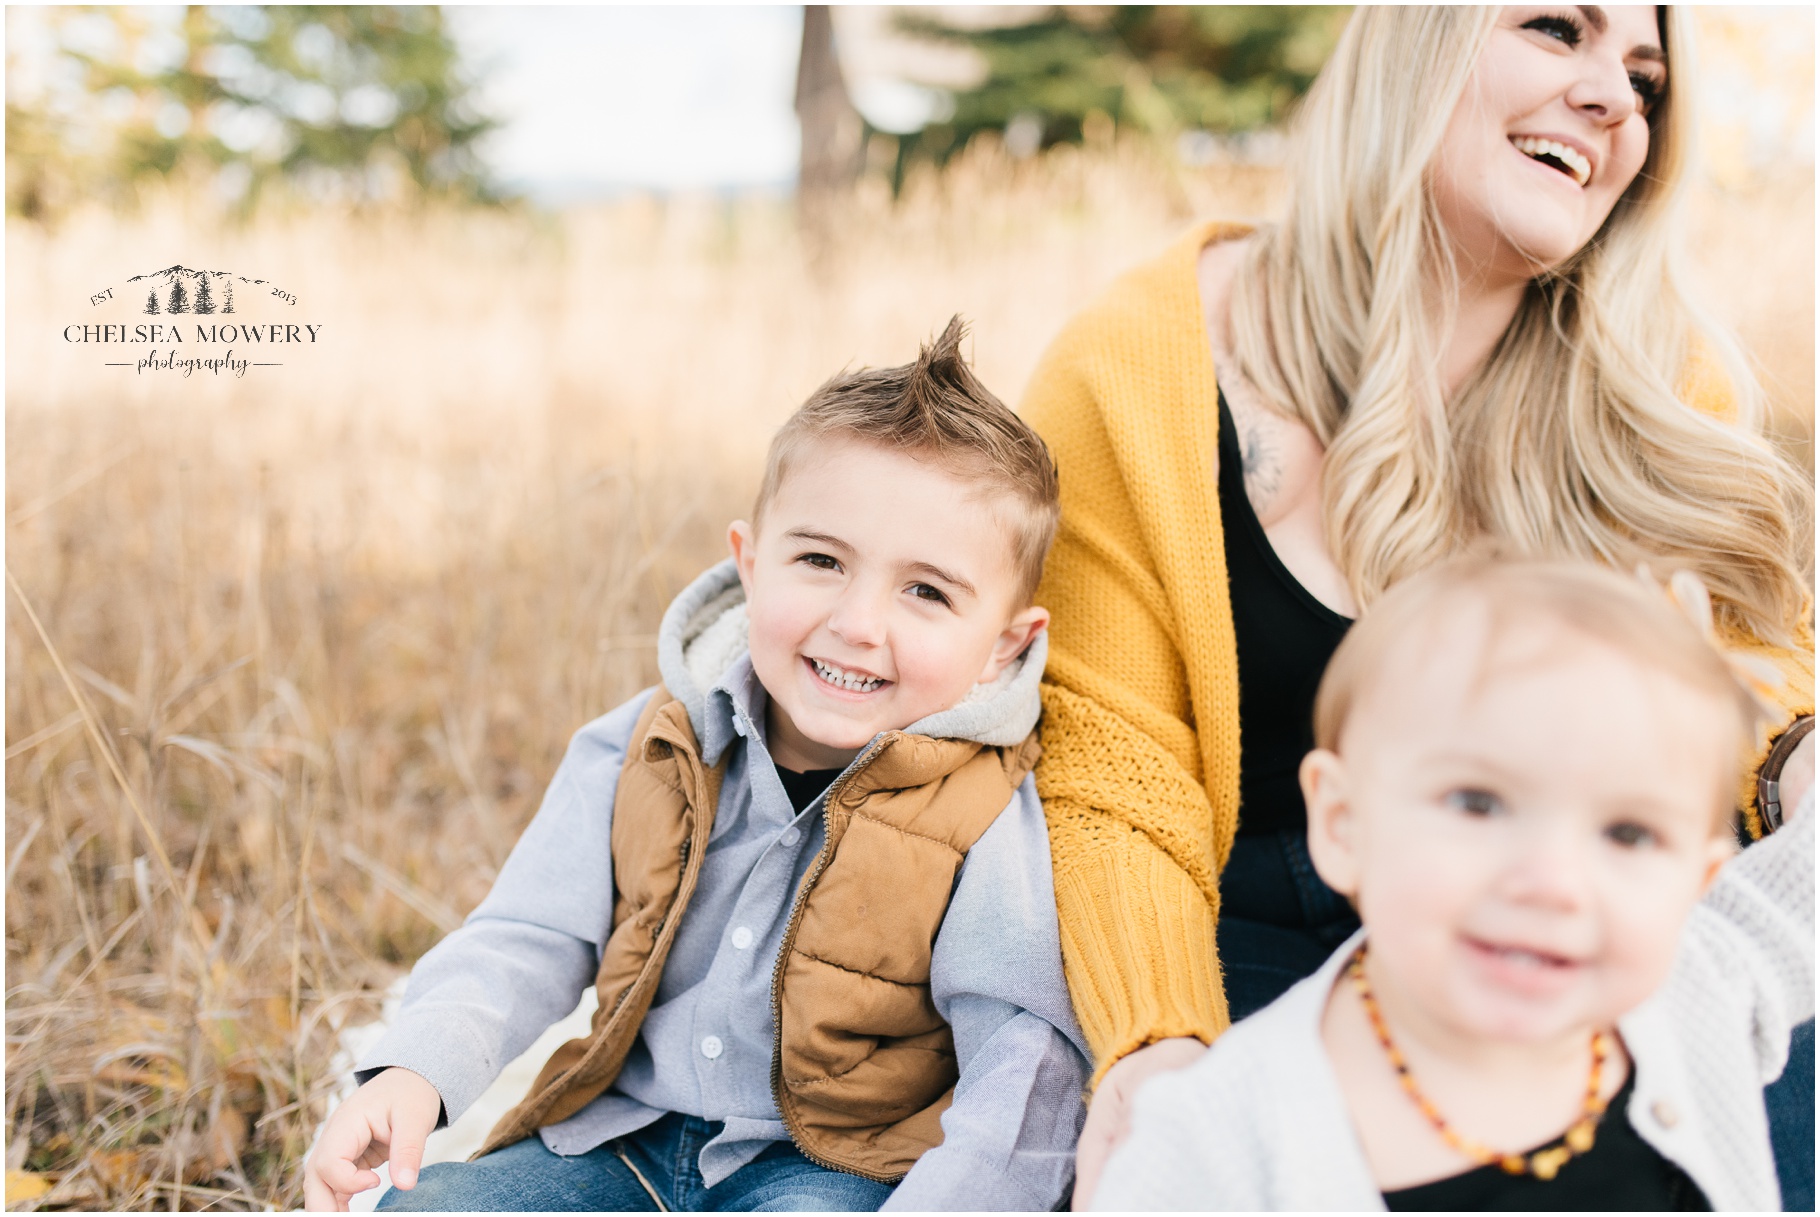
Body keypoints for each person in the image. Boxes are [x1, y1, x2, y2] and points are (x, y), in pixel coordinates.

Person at [1018, 6, 1816, 1206]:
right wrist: (1153, 1037)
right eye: (1557, 30)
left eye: (1643, 79)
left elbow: (1743, 669)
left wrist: (1792, 761)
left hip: (1552, 898)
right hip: (1233, 928)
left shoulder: (1654, 376)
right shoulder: (1134, 363)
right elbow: (1108, 756)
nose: (1612, 98)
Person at [301, 318, 1091, 1212]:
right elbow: (528, 933)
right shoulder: (645, 743)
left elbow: (1021, 1056)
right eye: (821, 560)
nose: (860, 622)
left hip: (830, 1173)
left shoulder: (985, 812)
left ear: (1003, 645)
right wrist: (417, 1067)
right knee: (436, 1205)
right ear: (750, 565)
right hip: (621, 1138)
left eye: (926, 591)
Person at [1091, 557, 1812, 1210]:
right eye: (1478, 803)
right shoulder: (1216, 1143)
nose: (1554, 882)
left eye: (1628, 833)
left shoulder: (1693, 989)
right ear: (1345, 826)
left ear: (1698, 879)